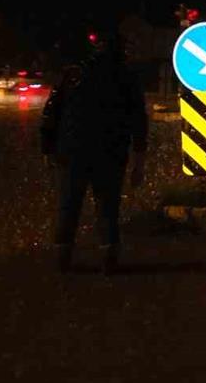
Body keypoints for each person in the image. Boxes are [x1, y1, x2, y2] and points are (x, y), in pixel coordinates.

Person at [40, 30, 148, 274]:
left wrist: (47, 149)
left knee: (68, 206)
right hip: (110, 153)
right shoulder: (127, 77)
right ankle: (109, 262)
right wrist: (139, 160)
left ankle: (62, 261)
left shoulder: (72, 75)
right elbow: (139, 121)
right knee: (108, 208)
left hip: (71, 152)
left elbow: (50, 114)